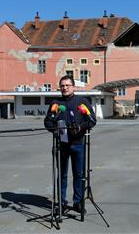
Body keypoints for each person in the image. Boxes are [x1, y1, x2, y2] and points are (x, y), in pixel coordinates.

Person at [44, 75, 96, 214]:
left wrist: (81, 127)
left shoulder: (82, 101)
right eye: (62, 85)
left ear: (73, 86)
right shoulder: (55, 103)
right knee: (62, 175)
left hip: (78, 144)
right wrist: (55, 129)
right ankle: (62, 202)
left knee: (79, 174)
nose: (65, 88)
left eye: (67, 85)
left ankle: (78, 202)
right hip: (61, 144)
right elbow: (48, 122)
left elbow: (92, 120)